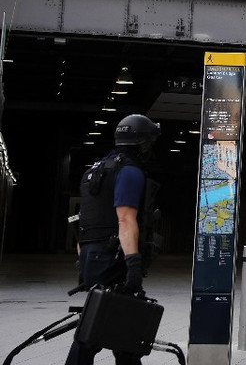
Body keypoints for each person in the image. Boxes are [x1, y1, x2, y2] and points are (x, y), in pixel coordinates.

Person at [67, 114, 162, 365]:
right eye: (150, 141)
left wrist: (84, 261)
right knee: (96, 332)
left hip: (92, 255)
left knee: (117, 328)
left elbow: (86, 221)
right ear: (141, 142)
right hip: (113, 258)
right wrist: (133, 264)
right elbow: (125, 219)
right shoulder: (129, 171)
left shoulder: (94, 170)